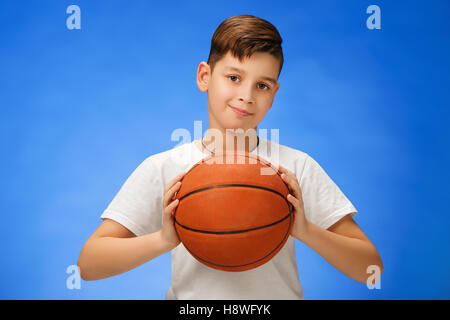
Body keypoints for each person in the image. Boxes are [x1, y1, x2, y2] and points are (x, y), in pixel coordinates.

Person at [77, 14, 383, 299]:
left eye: (261, 85)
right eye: (234, 77)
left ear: (273, 94)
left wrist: (306, 230)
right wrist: (162, 240)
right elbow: (89, 264)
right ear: (204, 77)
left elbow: (371, 270)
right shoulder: (164, 168)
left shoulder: (296, 168)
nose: (246, 95)